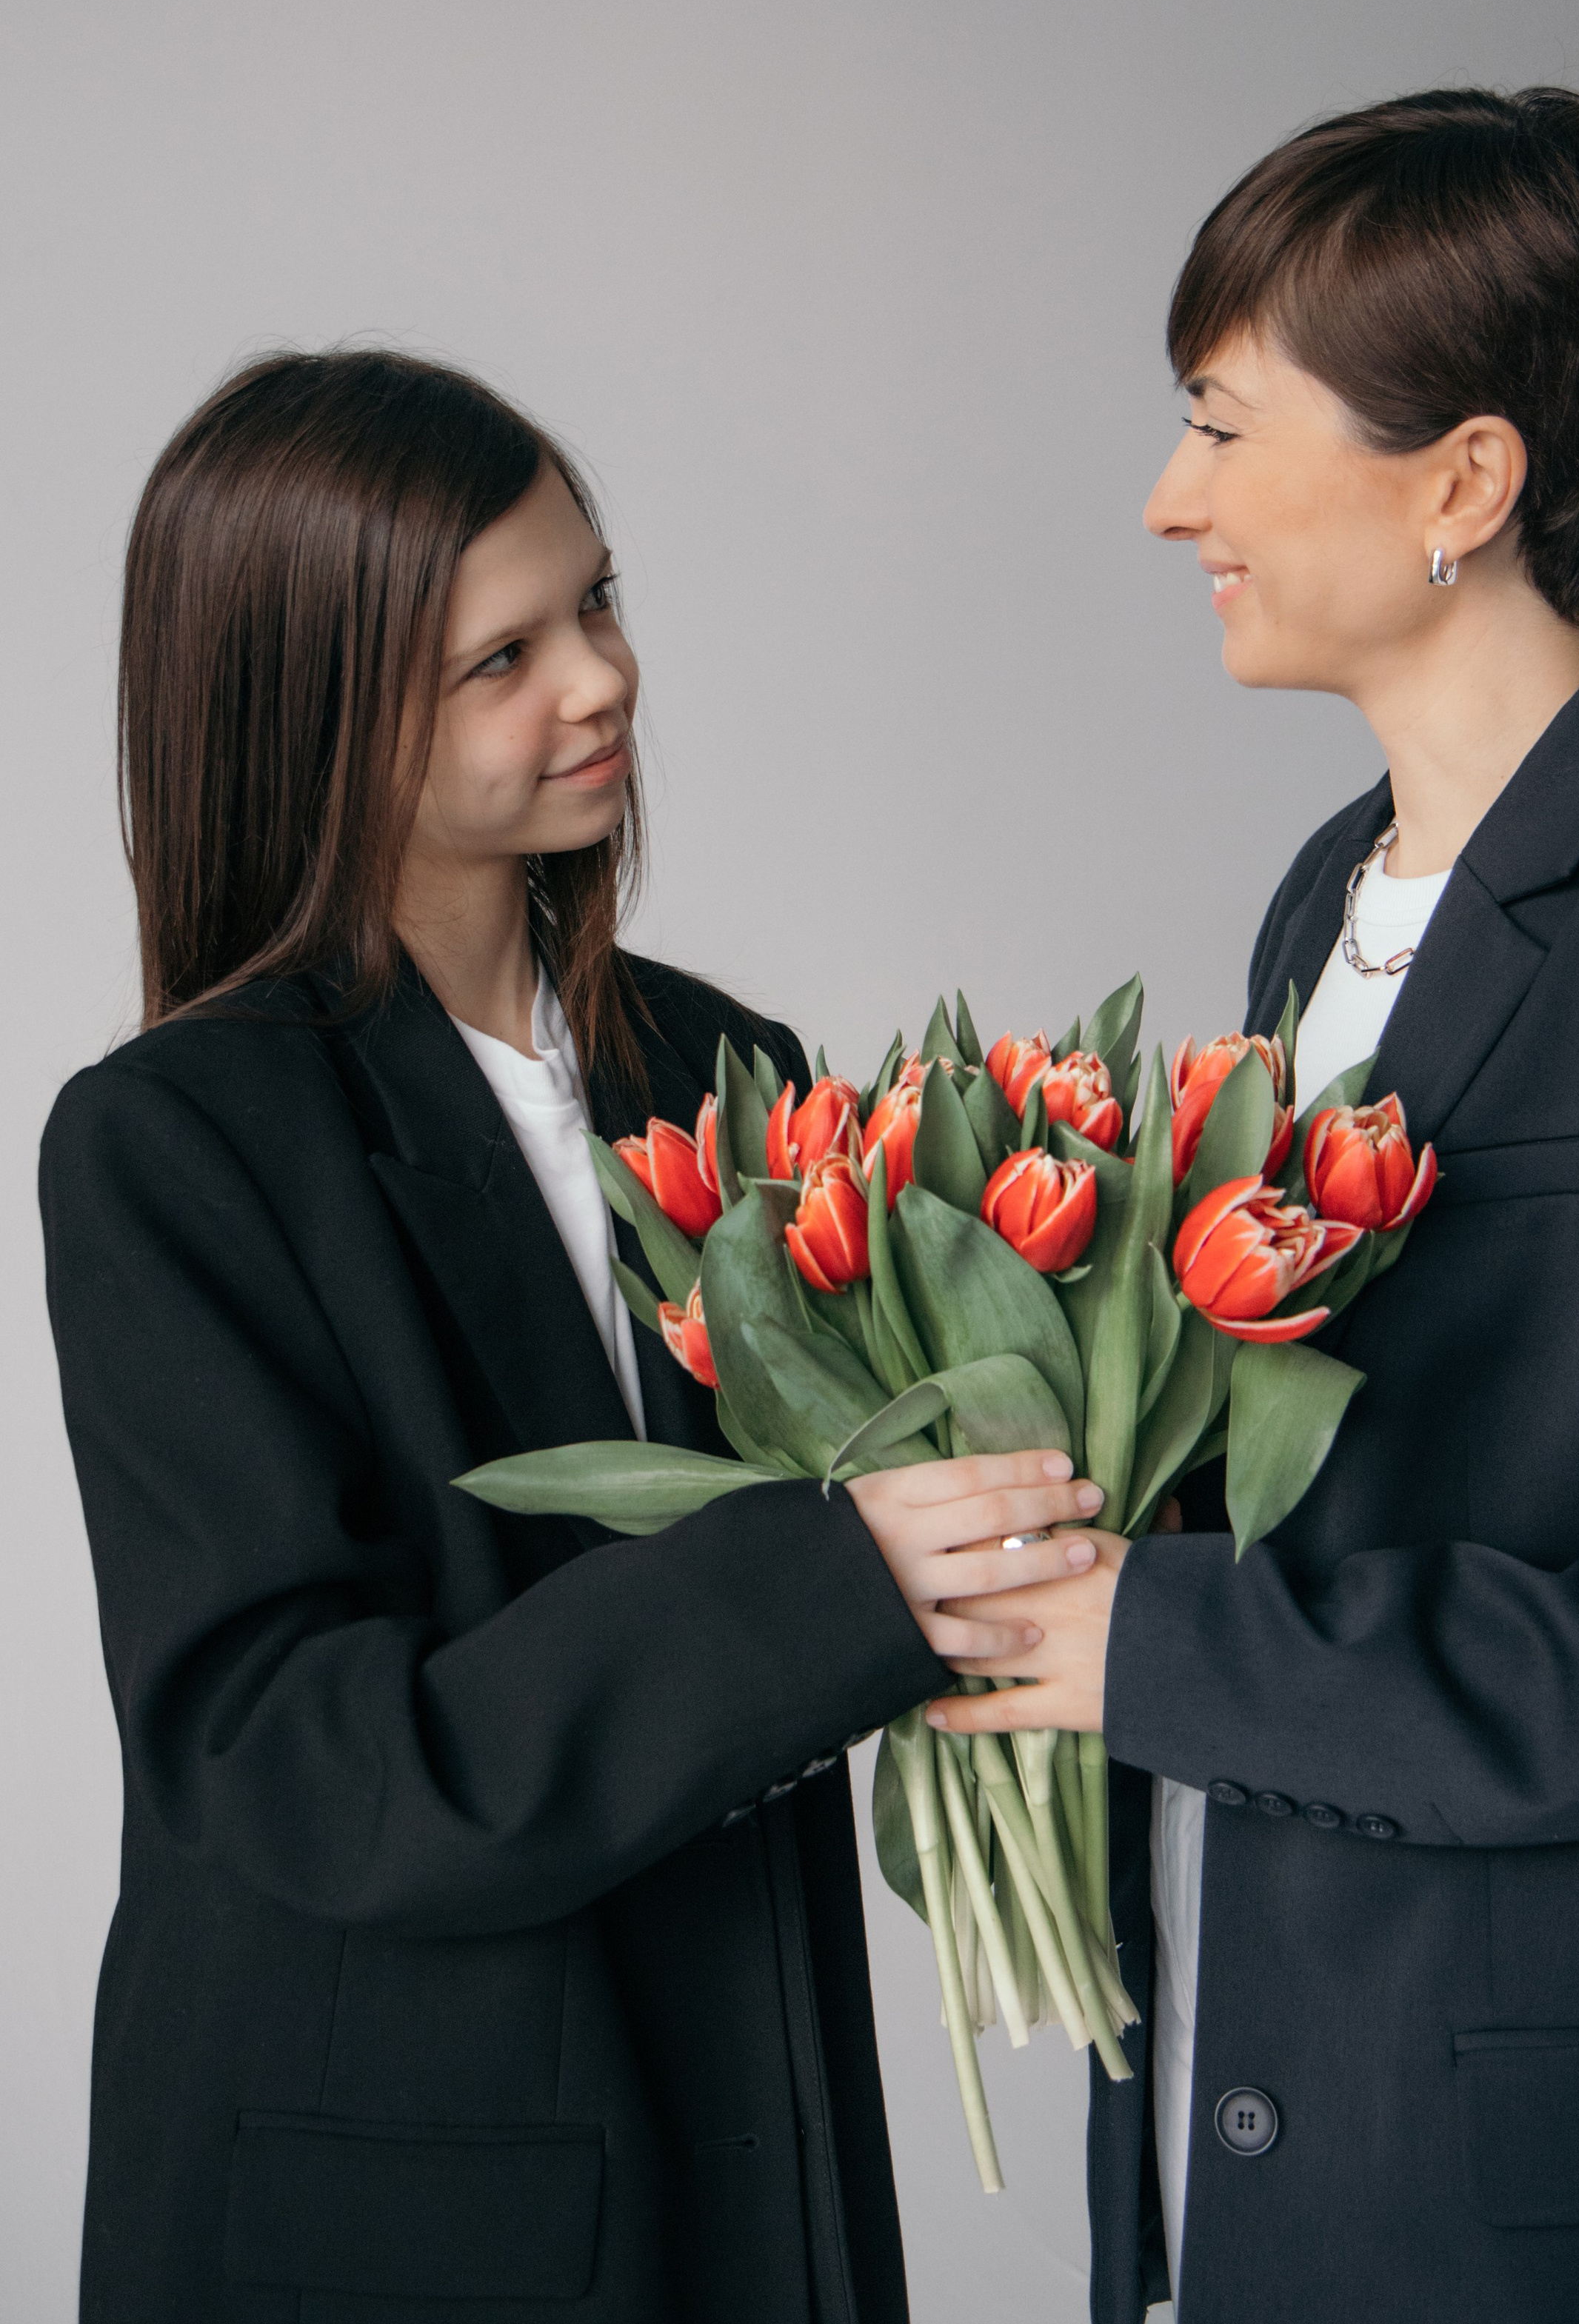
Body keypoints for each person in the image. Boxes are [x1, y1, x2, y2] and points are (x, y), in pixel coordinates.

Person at [927, 91, 1579, 2323]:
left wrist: (1164, 1653)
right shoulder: (1319, 905)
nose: (1176, 500)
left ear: (1465, 479)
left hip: (1569, 2194)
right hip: (1269, 2110)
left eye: (1223, 425)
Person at [39, 349, 1101, 2324]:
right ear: (322, 715)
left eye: (595, 601)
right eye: (499, 658)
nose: (599, 678)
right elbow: (287, 1752)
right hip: (394, 2195)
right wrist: (828, 1584)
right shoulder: (175, 1140)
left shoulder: (720, 1067)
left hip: (748, 2115)